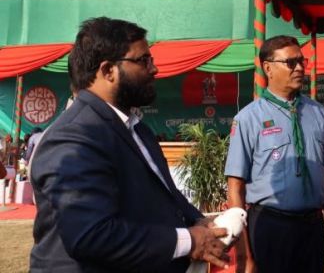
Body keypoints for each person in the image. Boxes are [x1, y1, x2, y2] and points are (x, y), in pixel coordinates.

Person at [29, 17, 229, 272]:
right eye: (143, 60)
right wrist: (189, 241)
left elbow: (167, 195)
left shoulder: (137, 129)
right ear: (107, 71)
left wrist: (199, 222)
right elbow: (91, 235)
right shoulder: (74, 136)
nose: (154, 69)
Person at [225, 35, 324, 273]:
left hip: (312, 228)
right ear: (268, 68)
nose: (299, 68)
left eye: (301, 61)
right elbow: (235, 187)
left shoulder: (318, 113)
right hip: (270, 228)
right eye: (290, 62)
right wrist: (244, 251)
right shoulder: (248, 118)